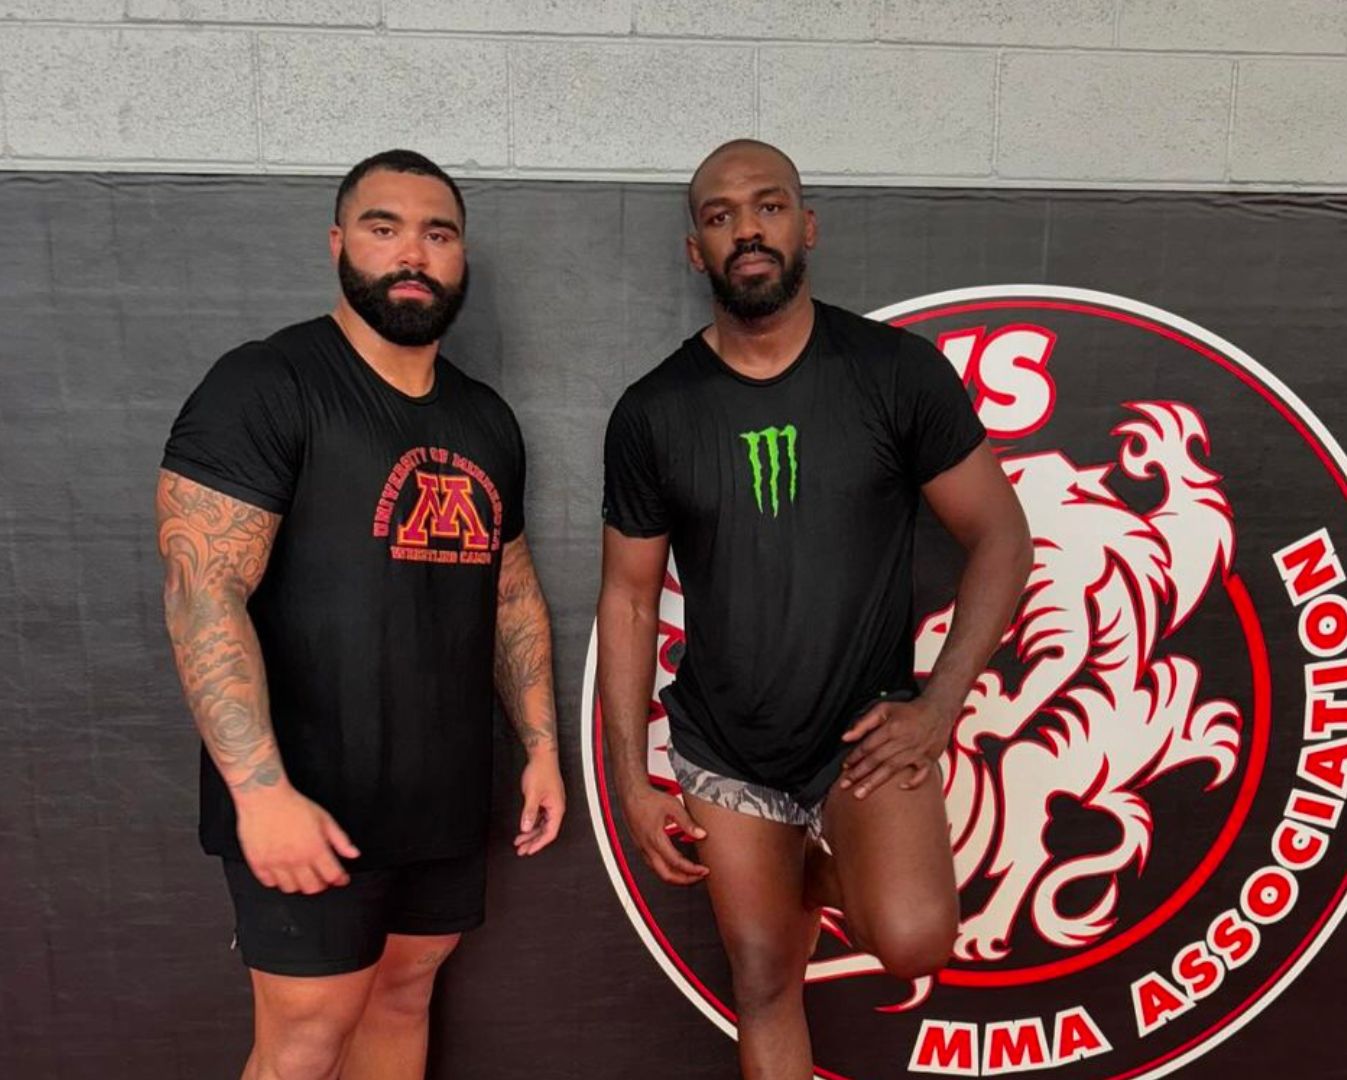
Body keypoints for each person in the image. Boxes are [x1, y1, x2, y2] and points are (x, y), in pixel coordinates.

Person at [597, 139, 1032, 1080]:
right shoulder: (653, 411)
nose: (745, 229)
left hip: (864, 733)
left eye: (767, 206)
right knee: (761, 981)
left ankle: (803, 874)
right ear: (694, 250)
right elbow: (629, 599)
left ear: (806, 226)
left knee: (914, 936)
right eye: (719, 216)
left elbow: (1001, 537)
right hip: (726, 743)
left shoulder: (894, 373)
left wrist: (940, 703)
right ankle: (779, 876)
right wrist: (631, 777)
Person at [156, 149, 564, 1080]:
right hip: (306, 795)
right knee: (303, 1038)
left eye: (438, 233)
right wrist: (259, 793)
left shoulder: (486, 420)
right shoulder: (266, 383)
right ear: (340, 244)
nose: (412, 252)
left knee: (402, 995)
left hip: (443, 796)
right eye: (384, 228)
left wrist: (539, 745)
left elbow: (508, 593)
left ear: (461, 257)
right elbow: (199, 589)